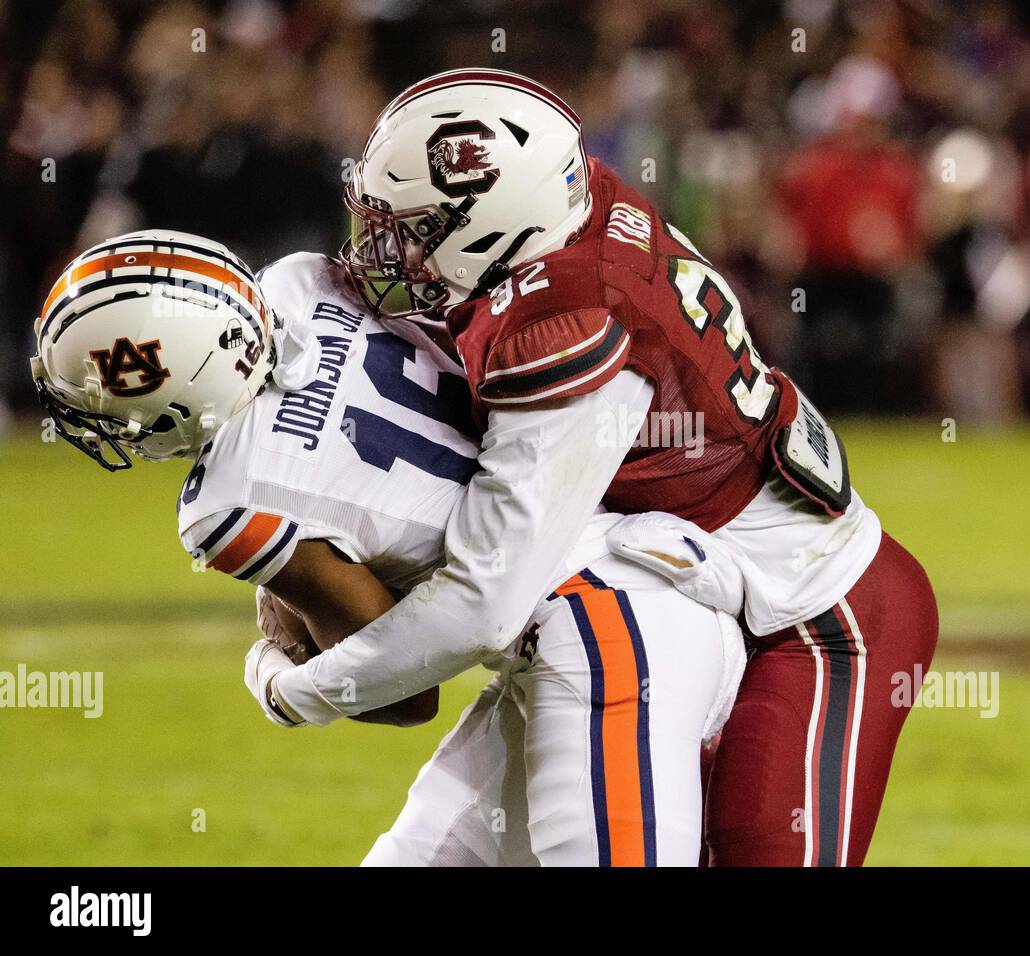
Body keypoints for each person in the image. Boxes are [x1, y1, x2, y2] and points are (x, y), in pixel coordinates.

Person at [270, 69, 939, 865]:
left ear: (495, 223)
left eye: (415, 227)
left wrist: (296, 692)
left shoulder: (568, 321)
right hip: (694, 593)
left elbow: (485, 602)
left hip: (820, 618)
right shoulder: (575, 209)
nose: (392, 249)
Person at [30, 229, 744, 866]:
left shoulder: (225, 508)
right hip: (630, 584)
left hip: (604, 638)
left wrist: (278, 668)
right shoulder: (301, 281)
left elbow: (406, 695)